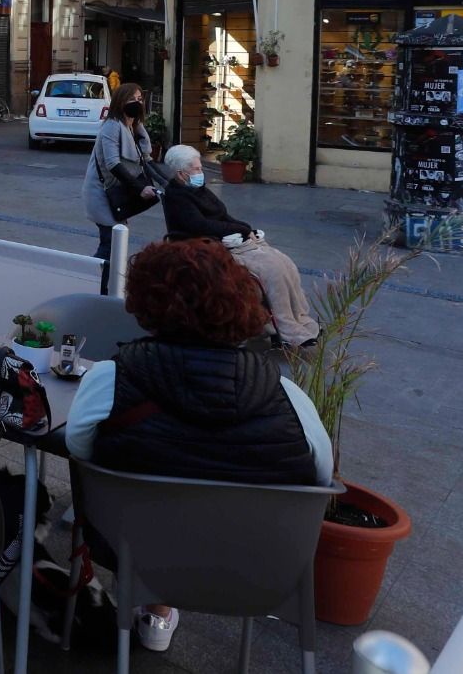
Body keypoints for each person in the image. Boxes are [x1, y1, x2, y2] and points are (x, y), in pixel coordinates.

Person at [65, 239, 333, 654]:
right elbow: (319, 478)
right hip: (254, 564)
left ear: (144, 303)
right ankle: (162, 613)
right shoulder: (288, 399)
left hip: (135, 552)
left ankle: (155, 608)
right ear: (241, 302)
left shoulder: (110, 379)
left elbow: (80, 452)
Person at [161, 145, 320, 347]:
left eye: (200, 168)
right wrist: (237, 230)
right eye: (196, 169)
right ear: (181, 174)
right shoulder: (177, 197)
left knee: (283, 262)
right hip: (208, 245)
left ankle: (299, 318)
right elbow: (199, 225)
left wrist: (246, 228)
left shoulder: (199, 190)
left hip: (228, 238)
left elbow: (223, 215)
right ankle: (284, 327)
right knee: (270, 270)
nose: (201, 173)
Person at [82, 82, 156, 295]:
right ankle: (91, 283)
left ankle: (104, 287)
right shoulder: (112, 126)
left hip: (115, 194)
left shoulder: (131, 127)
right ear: (120, 102)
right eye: (132, 99)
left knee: (114, 241)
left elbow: (145, 159)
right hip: (101, 193)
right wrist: (140, 188)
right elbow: (113, 163)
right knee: (110, 243)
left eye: (140, 99)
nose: (137, 103)